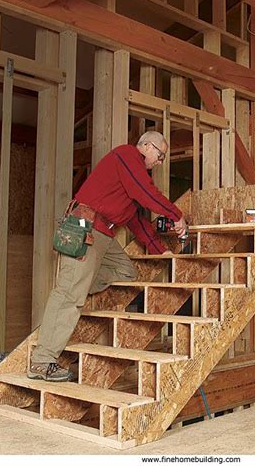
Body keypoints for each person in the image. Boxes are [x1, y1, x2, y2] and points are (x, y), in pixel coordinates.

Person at [28, 131, 187, 381]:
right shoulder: (126, 155)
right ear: (146, 145)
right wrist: (176, 215)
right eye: (160, 155)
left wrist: (160, 250)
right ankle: (42, 360)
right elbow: (147, 193)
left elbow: (137, 221)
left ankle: (78, 283)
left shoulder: (134, 178)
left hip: (103, 234)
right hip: (86, 228)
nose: (160, 161)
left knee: (126, 271)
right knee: (69, 295)